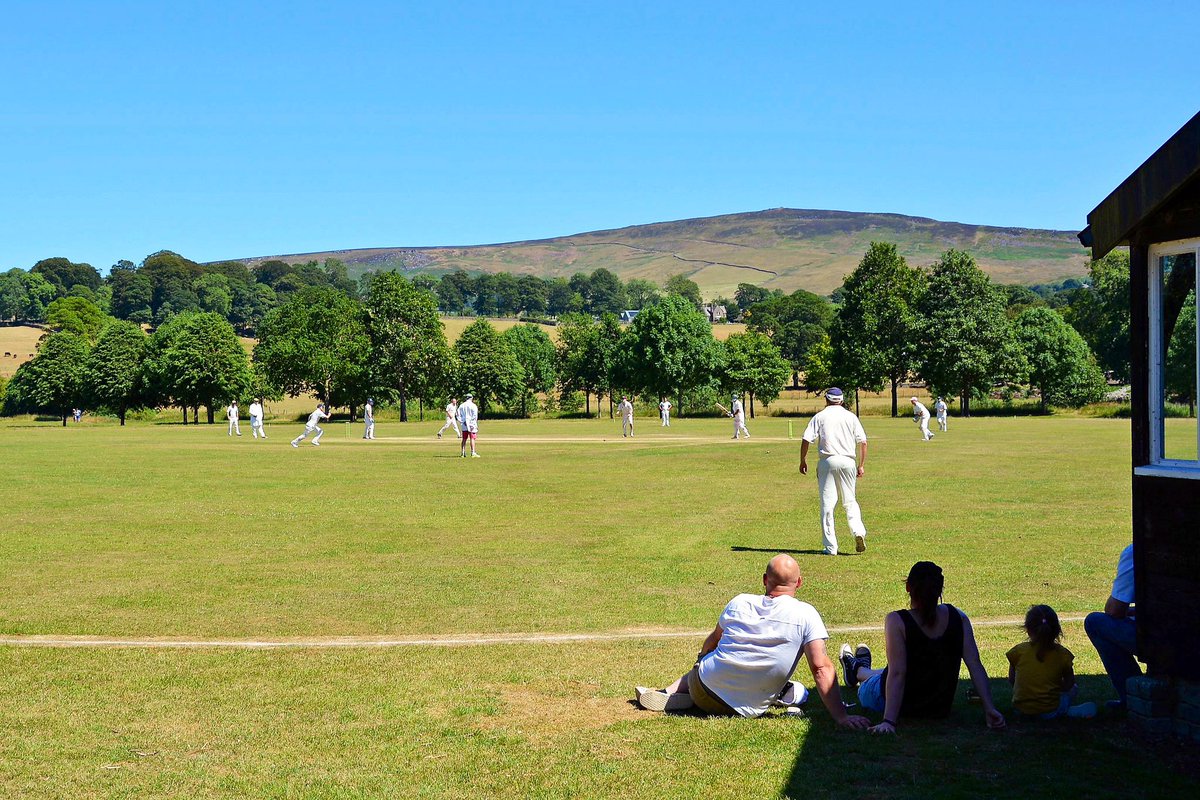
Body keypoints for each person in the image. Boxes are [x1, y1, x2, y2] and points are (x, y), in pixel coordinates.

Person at [633, 554, 871, 728]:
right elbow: (820, 668)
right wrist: (841, 716)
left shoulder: (739, 601)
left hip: (705, 688)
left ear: (765, 579)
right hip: (751, 705)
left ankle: (670, 691)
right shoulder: (806, 613)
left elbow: (713, 642)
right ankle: (779, 692)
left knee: (700, 669)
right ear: (799, 583)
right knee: (799, 692)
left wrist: (700, 659)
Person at [839, 561, 1006, 733]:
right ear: (940, 589)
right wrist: (989, 708)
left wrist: (889, 721)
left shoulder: (897, 620)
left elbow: (897, 673)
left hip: (897, 701)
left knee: (872, 684)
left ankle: (857, 670)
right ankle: (858, 668)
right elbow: (974, 663)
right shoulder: (958, 617)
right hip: (939, 708)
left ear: (908, 588)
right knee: (889, 671)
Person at [799, 387, 869, 555]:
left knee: (827, 504)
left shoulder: (820, 416)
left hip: (827, 462)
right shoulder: (851, 417)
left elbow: (806, 439)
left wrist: (802, 460)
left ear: (826, 399)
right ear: (842, 400)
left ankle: (831, 547)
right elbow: (863, 442)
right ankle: (858, 531)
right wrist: (861, 465)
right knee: (850, 501)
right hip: (848, 461)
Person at [1007, 604, 1097, 719]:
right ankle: (1066, 711)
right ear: (1057, 631)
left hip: (1020, 710)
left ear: (1028, 630)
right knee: (1074, 688)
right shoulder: (1063, 655)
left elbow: (1012, 680)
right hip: (1049, 711)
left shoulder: (1018, 652)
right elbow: (1069, 684)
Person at [1084, 544, 1139, 709]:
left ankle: (1133, 698)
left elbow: (1114, 609)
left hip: (1159, 638)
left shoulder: (1136, 552)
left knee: (1095, 622)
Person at [457, 394, 479, 458]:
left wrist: (462, 421)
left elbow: (458, 414)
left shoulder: (461, 405)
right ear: (471, 398)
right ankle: (473, 452)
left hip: (464, 424)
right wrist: (472, 423)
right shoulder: (473, 405)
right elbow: (475, 415)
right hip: (471, 424)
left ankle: (463, 453)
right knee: (472, 438)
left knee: (464, 439)